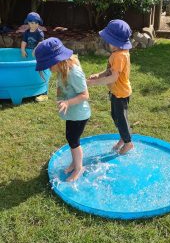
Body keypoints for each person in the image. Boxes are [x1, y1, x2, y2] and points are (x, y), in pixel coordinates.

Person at [35, 37, 91, 181]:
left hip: (79, 114)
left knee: (73, 139)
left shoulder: (73, 72)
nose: (48, 69)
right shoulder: (63, 69)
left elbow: (85, 95)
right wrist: (60, 94)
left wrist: (67, 102)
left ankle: (79, 168)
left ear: (57, 60)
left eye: (48, 65)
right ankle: (75, 162)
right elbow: (62, 85)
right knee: (70, 138)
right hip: (73, 112)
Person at [87, 19, 134, 155]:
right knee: (116, 116)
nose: (108, 43)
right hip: (117, 92)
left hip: (120, 93)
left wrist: (94, 83)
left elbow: (114, 77)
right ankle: (123, 138)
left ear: (116, 41)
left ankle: (128, 143)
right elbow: (110, 71)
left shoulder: (119, 56)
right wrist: (99, 75)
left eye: (109, 40)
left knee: (121, 119)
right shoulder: (118, 53)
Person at [21, 12, 48, 102]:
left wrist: (36, 49)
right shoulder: (27, 32)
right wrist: (22, 50)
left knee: (40, 70)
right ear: (28, 23)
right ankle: (31, 84)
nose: (34, 25)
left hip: (39, 53)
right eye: (32, 23)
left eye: (36, 23)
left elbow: (40, 43)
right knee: (30, 69)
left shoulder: (39, 33)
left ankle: (44, 92)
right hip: (30, 53)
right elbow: (24, 42)